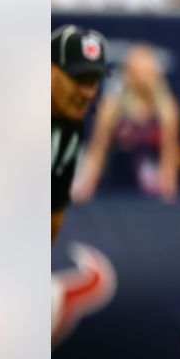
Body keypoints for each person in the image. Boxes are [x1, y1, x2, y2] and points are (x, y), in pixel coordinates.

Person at [70, 44, 180, 204]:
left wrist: (169, 193)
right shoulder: (111, 108)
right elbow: (97, 151)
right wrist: (85, 187)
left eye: (149, 71)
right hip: (116, 192)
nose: (146, 76)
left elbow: (169, 156)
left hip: (151, 194)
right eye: (140, 70)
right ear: (129, 73)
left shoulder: (167, 110)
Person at [51, 25, 108, 245]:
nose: (86, 92)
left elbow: (53, 214)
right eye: (78, 78)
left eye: (92, 80)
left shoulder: (71, 130)